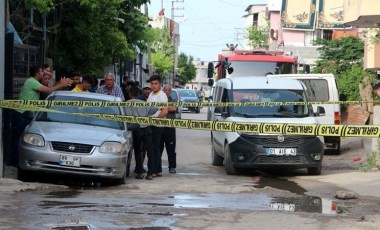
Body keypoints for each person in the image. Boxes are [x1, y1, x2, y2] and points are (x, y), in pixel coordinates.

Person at [11, 66, 71, 166]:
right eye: (41, 71)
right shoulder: (32, 82)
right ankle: (14, 162)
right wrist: (61, 85)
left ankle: (16, 161)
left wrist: (57, 83)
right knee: (20, 138)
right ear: (37, 73)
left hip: (26, 114)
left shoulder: (34, 82)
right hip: (22, 114)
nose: (43, 73)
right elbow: (48, 90)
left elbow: (49, 89)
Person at [125, 86, 155, 180]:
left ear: (129, 94)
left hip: (136, 129)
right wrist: (147, 115)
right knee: (150, 151)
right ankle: (150, 173)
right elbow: (155, 109)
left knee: (138, 151)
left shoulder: (127, 104)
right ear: (138, 95)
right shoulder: (144, 103)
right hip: (147, 128)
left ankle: (140, 172)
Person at [147, 74, 168, 179]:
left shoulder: (162, 95)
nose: (154, 86)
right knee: (154, 148)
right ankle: (158, 169)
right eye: (152, 84)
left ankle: (155, 170)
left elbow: (164, 112)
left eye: (156, 83)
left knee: (154, 147)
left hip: (158, 125)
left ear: (160, 84)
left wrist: (154, 119)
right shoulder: (151, 94)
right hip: (150, 124)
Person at [160, 84, 177, 173]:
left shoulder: (173, 100)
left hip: (170, 128)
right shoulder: (159, 100)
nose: (167, 92)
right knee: (159, 148)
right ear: (163, 91)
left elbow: (174, 108)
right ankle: (157, 167)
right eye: (165, 90)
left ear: (170, 91)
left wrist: (163, 108)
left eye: (168, 90)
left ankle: (172, 167)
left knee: (171, 148)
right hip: (160, 127)